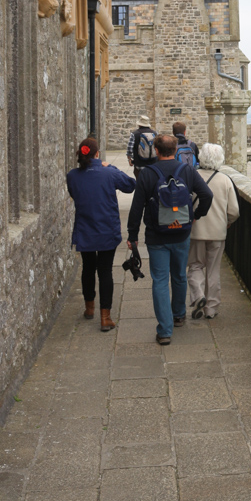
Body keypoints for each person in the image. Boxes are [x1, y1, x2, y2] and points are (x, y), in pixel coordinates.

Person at [127, 134, 213, 345]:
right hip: (182, 233)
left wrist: (132, 236)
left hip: (157, 236)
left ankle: (165, 331)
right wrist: (196, 216)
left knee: (159, 281)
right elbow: (207, 195)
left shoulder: (147, 174)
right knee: (179, 275)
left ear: (156, 150)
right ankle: (179, 315)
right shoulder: (187, 171)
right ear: (175, 150)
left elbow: (136, 208)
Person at [66, 137, 136, 331]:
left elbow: (74, 193)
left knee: (88, 268)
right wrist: (110, 167)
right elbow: (130, 185)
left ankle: (89, 308)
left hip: (85, 228)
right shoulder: (108, 173)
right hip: (106, 229)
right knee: (105, 271)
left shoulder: (72, 175)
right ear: (97, 154)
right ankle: (105, 317)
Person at [187, 143, 239, 319]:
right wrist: (227, 222)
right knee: (213, 270)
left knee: (195, 266)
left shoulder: (192, 177)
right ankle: (211, 308)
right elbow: (234, 211)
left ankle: (198, 295)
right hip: (217, 232)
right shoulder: (225, 180)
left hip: (196, 230)